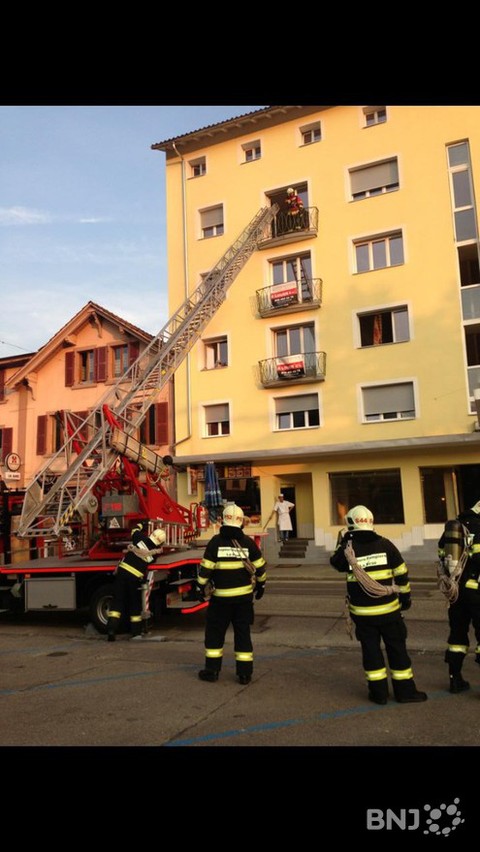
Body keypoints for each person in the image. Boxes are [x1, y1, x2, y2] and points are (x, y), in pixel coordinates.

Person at [330, 504, 428, 705]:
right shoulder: (386, 545)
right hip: (390, 613)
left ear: (350, 524)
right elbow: (401, 573)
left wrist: (343, 541)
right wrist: (405, 598)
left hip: (363, 615)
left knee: (371, 653)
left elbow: (336, 564)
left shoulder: (349, 550)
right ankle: (405, 692)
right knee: (397, 650)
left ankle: (378, 694)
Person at [196, 503, 267, 684]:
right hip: (243, 600)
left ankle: (212, 671)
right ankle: (244, 674)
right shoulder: (248, 542)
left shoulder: (215, 542)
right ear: (241, 522)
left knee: (215, 635)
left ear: (222, 521)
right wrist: (261, 585)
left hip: (220, 600)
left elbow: (205, 570)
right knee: (243, 634)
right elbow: (260, 567)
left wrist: (199, 588)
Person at [438, 500, 480, 693]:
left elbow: (442, 553)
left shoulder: (456, 526)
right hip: (477, 590)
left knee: (457, 637)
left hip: (457, 592)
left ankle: (455, 680)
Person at [106, 523, 166, 641]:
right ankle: (136, 633)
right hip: (134, 578)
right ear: (160, 543)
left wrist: (140, 524)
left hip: (122, 573)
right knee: (134, 604)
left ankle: (111, 630)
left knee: (117, 601)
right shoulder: (153, 556)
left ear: (151, 534)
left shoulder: (139, 538)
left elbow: (133, 530)